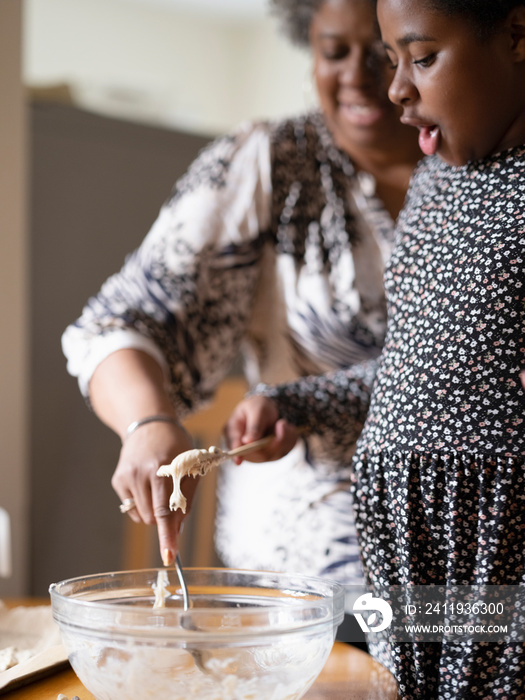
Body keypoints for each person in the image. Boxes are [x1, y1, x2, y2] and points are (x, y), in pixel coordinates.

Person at [61, 0, 420, 613]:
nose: (359, 76)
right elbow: (121, 323)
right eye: (334, 51)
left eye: (386, 54)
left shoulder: (481, 166)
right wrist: (148, 425)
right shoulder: (271, 162)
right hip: (314, 571)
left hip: (477, 551)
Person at [226, 0, 525, 696]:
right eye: (394, 62)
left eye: (421, 59)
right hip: (400, 538)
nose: (396, 88)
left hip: (490, 540)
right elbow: (422, 366)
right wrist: (296, 399)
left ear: (515, 34)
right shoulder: (435, 183)